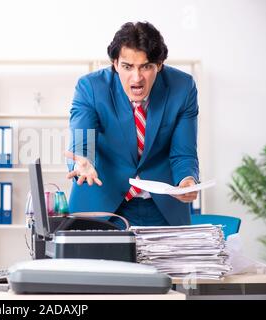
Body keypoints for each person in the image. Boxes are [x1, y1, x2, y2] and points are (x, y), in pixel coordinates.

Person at [65, 21, 199, 227]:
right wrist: (82, 162)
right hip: (102, 205)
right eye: (127, 67)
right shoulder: (90, 88)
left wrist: (187, 181)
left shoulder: (182, 88)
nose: (137, 78)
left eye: (146, 67)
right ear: (115, 64)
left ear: (160, 64)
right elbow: (83, 141)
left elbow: (183, 152)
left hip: (162, 207)